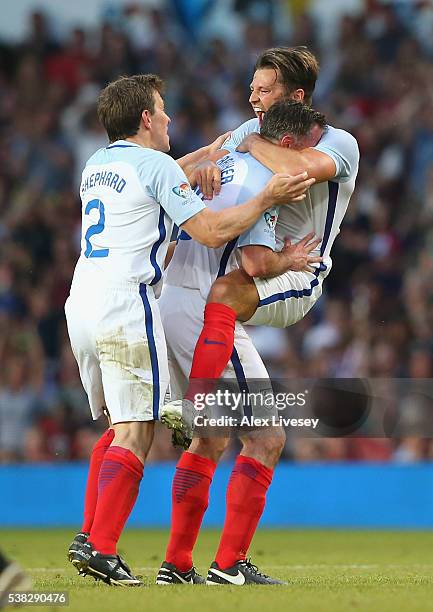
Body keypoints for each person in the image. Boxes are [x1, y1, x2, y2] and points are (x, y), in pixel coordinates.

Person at [64, 73, 313, 586]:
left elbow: (157, 178)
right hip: (133, 303)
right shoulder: (168, 166)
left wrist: (202, 158)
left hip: (81, 300)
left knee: (123, 425)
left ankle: (124, 547)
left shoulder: (98, 163)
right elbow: (215, 231)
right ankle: (106, 546)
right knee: (152, 429)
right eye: (163, 109)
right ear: (146, 120)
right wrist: (269, 198)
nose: (170, 118)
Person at [156, 101, 326, 587]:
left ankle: (176, 564)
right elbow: (252, 262)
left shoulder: (225, 163)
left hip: (172, 296)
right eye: (308, 149)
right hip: (207, 308)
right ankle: (229, 564)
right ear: (288, 145)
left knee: (210, 438)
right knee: (267, 437)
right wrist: (288, 259)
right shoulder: (261, 182)